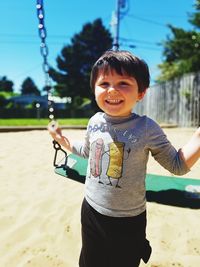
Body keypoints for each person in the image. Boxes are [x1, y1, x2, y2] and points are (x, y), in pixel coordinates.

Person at [48, 50, 200, 267]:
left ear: (141, 93)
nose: (112, 90)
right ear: (94, 89)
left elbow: (177, 165)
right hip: (90, 208)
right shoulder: (94, 121)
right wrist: (62, 140)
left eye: (123, 83)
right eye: (104, 83)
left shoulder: (146, 128)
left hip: (127, 220)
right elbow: (88, 153)